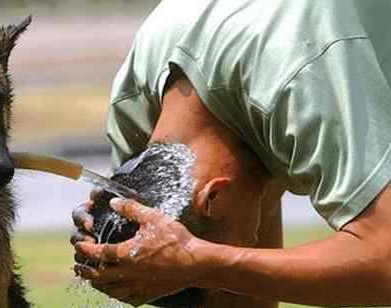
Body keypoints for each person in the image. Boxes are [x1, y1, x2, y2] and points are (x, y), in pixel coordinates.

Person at [70, 1, 391, 307]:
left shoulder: (302, 85)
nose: (255, 242)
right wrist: (105, 228)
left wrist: (207, 263)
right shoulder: (137, 109)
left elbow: (385, 261)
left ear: (213, 197)